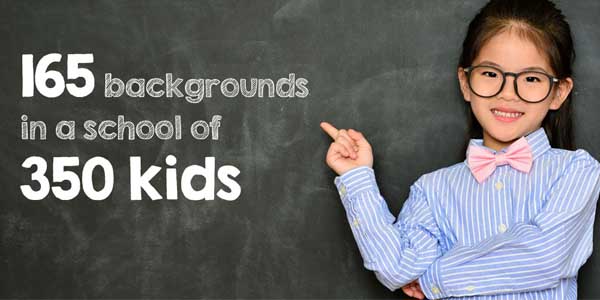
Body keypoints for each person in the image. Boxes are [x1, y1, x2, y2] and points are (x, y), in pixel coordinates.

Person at [320, 0, 600, 299]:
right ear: (466, 82)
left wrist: (436, 278)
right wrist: (357, 178)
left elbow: (545, 256)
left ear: (558, 92)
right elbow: (396, 268)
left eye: (531, 79)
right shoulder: (433, 190)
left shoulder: (577, 171)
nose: (508, 93)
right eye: (491, 74)